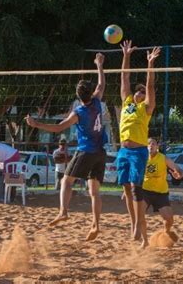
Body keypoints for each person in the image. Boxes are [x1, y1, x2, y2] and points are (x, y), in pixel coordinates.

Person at [26, 53, 106, 241]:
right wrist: (99, 65)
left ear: (78, 97)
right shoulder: (97, 102)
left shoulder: (78, 112)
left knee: (66, 182)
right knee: (94, 192)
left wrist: (36, 124)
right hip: (101, 152)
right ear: (90, 93)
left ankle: (63, 211)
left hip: (86, 151)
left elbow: (58, 127)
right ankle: (96, 225)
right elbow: (101, 85)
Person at [117, 40, 161, 247]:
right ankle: (136, 227)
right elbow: (124, 77)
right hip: (123, 152)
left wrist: (150, 64)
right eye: (138, 91)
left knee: (135, 189)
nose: (139, 93)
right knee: (126, 189)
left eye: (142, 93)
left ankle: (137, 227)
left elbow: (150, 85)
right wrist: (126, 55)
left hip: (138, 152)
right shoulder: (127, 103)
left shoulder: (146, 109)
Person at [142, 138, 183, 234]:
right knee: (139, 216)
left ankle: (166, 232)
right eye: (148, 144)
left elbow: (177, 169)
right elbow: (135, 175)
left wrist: (179, 174)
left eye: (153, 144)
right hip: (145, 191)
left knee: (169, 220)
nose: (151, 146)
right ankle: (144, 240)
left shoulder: (163, 158)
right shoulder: (142, 158)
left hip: (161, 193)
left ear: (157, 146)